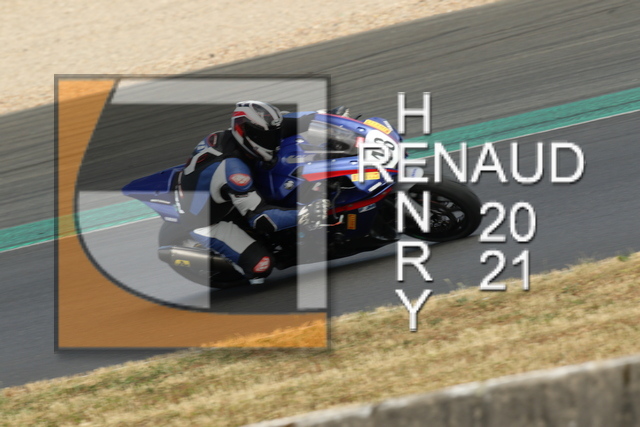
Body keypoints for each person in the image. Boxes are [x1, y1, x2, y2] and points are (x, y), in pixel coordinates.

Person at [176, 100, 330, 284]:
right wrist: (306, 214)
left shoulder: (252, 134)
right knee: (261, 267)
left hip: (217, 189)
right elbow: (261, 219)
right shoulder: (235, 172)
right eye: (266, 137)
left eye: (272, 135)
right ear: (245, 133)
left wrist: (331, 117)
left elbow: (294, 122)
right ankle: (233, 263)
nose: (273, 141)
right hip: (208, 220)